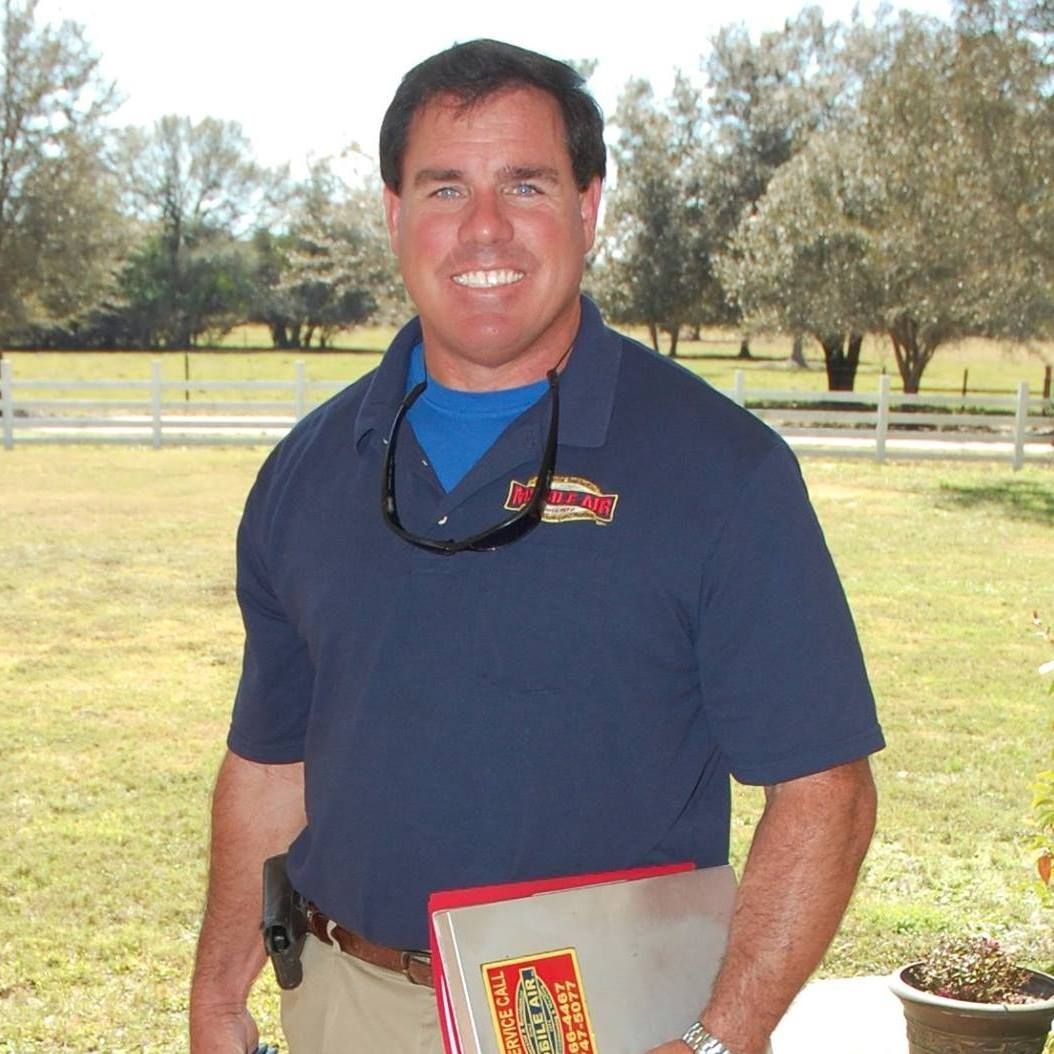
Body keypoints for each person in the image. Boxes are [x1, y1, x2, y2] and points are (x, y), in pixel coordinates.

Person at [189, 38, 883, 1054]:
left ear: (587, 207)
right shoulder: (309, 471)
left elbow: (826, 792)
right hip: (345, 1003)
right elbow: (269, 764)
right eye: (444, 188)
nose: (484, 227)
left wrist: (720, 1039)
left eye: (525, 184)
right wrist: (219, 994)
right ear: (393, 213)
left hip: (611, 1015)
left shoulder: (722, 471)